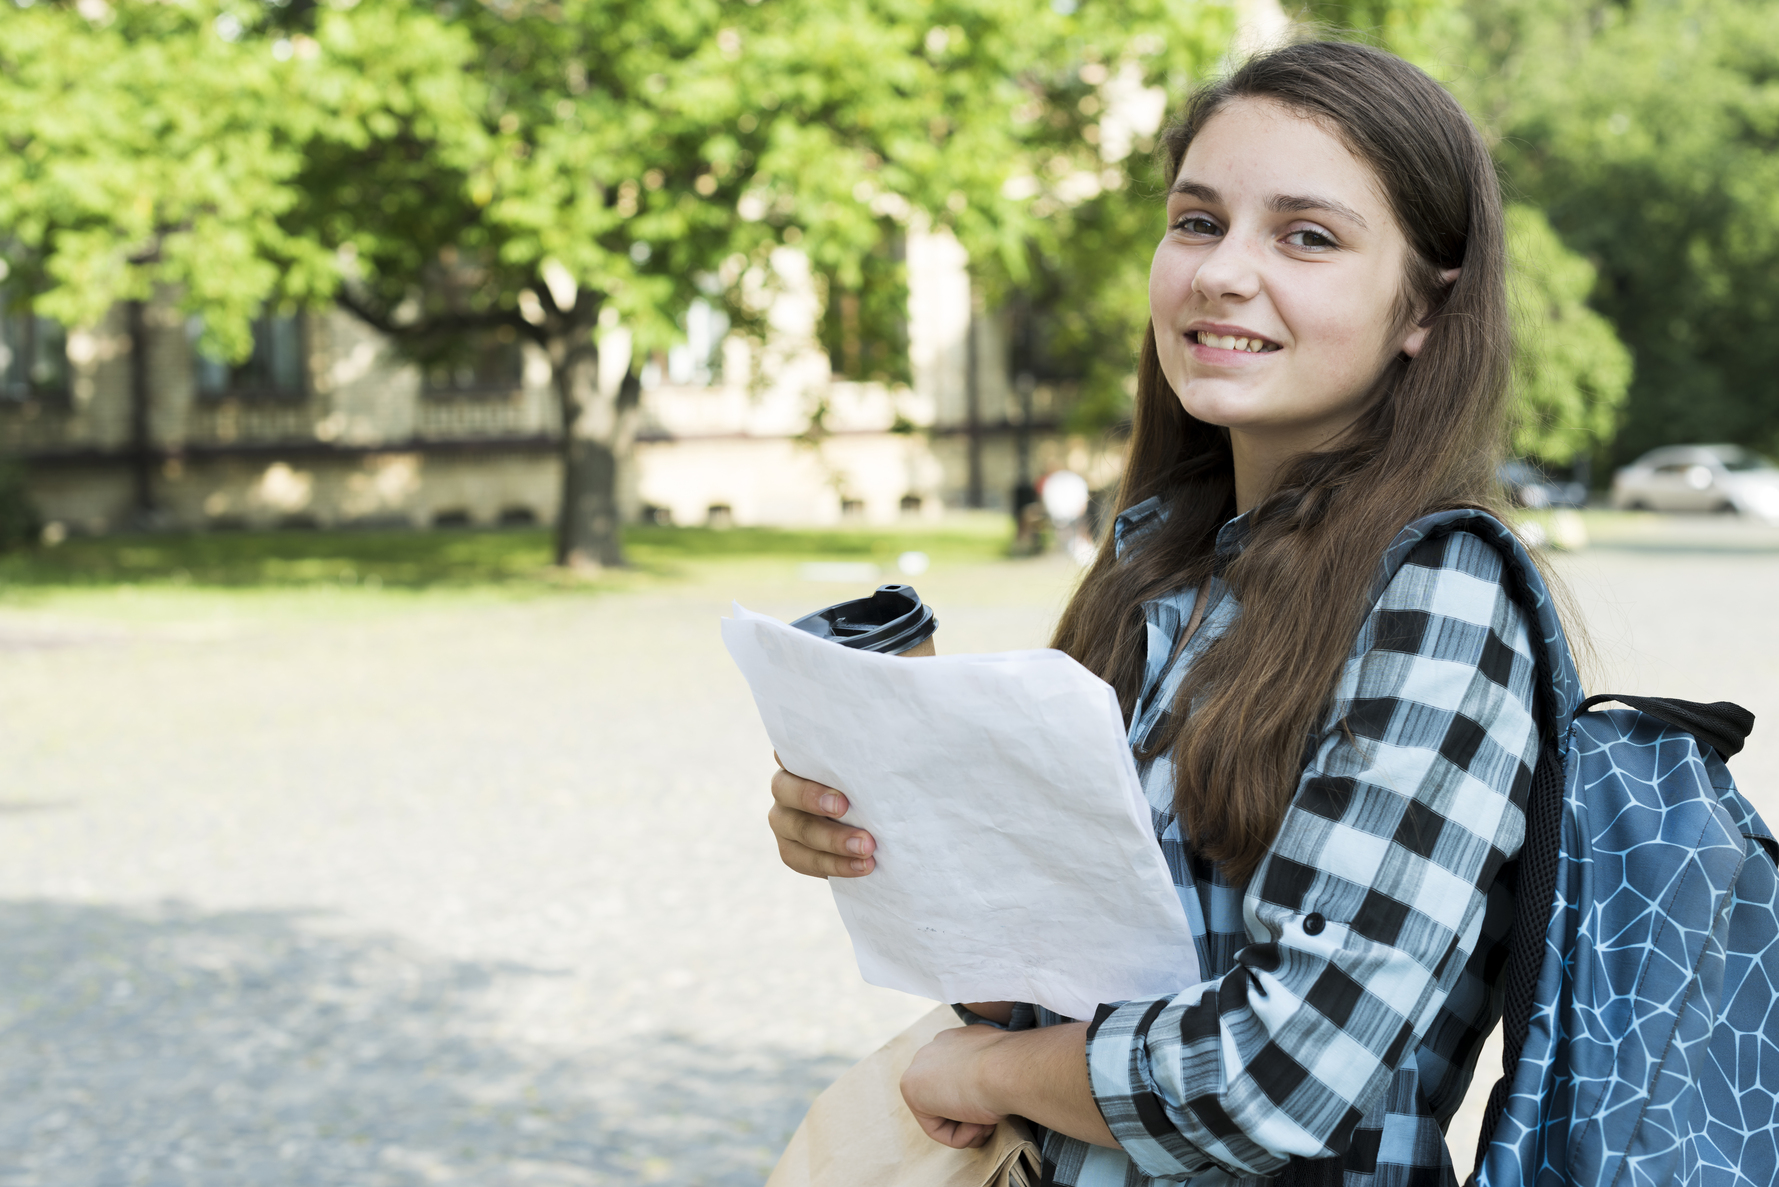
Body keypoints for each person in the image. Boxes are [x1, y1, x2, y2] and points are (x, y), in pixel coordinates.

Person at [768, 40, 1548, 1185]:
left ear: (1424, 308)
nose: (1223, 272)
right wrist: (883, 834)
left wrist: (984, 1070)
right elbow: (1059, 984)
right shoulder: (1159, 566)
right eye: (1196, 222)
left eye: (1307, 236)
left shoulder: (1440, 591)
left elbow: (1278, 1072)